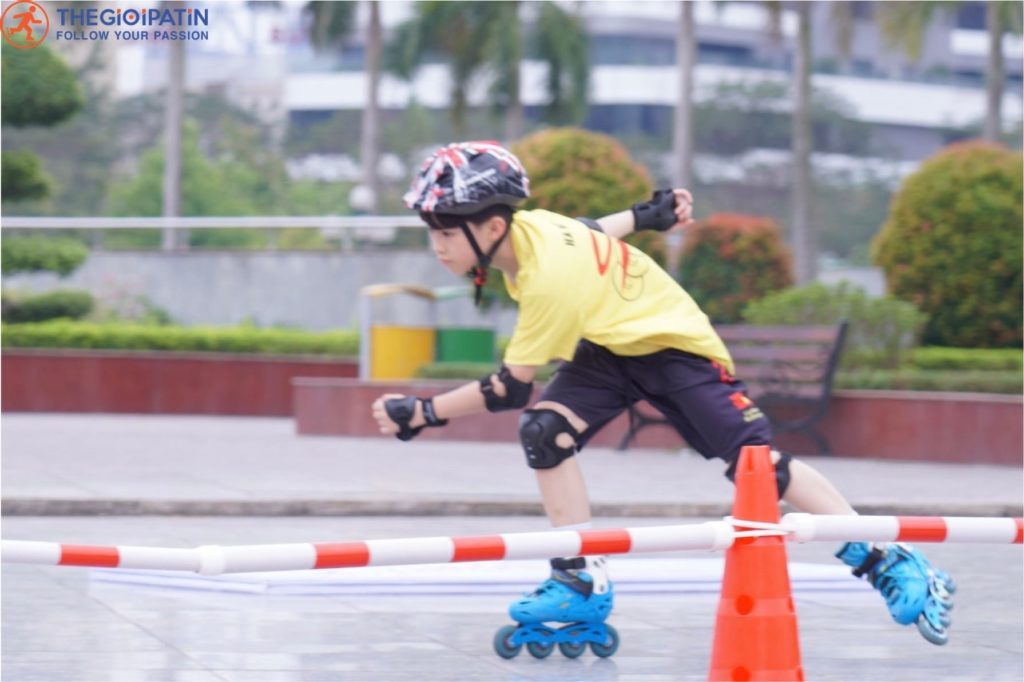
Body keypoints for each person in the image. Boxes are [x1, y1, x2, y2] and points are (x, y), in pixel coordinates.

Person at [371, 141, 955, 654]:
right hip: (609, 351)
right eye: (434, 232)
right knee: (546, 432)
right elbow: (592, 229)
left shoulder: (546, 276)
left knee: (758, 468)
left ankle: (890, 559)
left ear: (491, 226)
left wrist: (421, 414)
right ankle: (579, 582)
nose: (437, 247)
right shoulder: (532, 230)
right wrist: (647, 215)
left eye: (446, 233)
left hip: (675, 349)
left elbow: (508, 389)